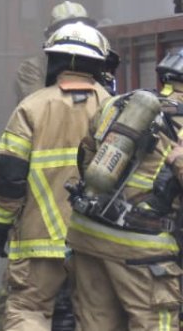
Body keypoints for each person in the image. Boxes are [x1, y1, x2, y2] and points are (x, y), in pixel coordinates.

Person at [0, 22, 112, 330]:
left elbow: (8, 178)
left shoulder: (31, 107)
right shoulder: (114, 109)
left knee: (28, 311)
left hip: (39, 239)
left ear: (53, 60)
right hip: (96, 241)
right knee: (96, 318)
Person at [65, 48, 183, 330]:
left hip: (88, 234)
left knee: (96, 324)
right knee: (155, 323)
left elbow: (85, 156)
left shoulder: (116, 105)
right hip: (143, 248)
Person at [14, 2, 92, 102]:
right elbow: (39, 108)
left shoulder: (95, 65)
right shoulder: (32, 69)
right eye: (66, 31)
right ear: (52, 36)